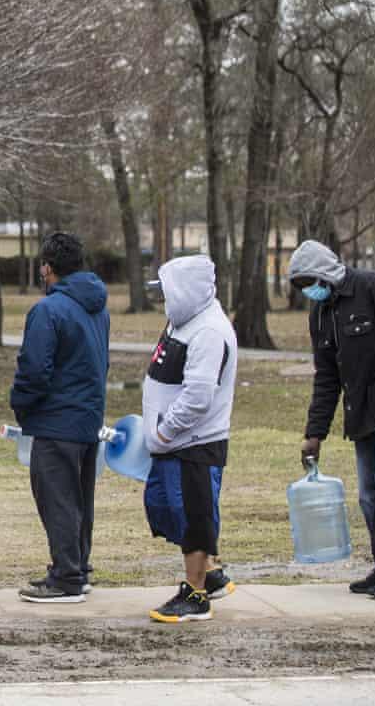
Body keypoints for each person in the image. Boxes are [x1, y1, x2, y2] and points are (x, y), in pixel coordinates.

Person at [289, 239, 375, 599]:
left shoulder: (373, 287)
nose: (309, 290)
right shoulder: (320, 315)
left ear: (325, 273)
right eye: (301, 285)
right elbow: (326, 377)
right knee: (368, 496)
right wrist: (314, 434)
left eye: (309, 281)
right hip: (361, 416)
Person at [11, 232, 110, 604]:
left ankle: (66, 577)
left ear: (47, 268)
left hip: (54, 422)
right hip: (87, 419)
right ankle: (78, 568)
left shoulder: (48, 310)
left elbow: (34, 369)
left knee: (57, 500)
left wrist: (22, 405)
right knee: (80, 500)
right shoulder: (97, 307)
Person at [141, 255, 238, 623]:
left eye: (167, 292)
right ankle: (209, 573)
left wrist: (166, 429)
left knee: (193, 515)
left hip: (193, 442)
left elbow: (198, 397)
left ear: (186, 291)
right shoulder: (183, 323)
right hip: (170, 443)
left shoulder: (209, 331)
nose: (164, 300)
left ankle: (195, 595)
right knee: (167, 509)